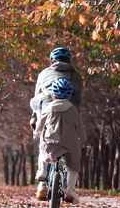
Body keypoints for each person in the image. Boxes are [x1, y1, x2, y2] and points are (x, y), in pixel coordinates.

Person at [29, 47, 83, 196]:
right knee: (73, 153)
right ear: (69, 60)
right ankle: (71, 190)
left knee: (44, 143)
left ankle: (42, 182)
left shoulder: (43, 74)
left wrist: (34, 119)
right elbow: (78, 101)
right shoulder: (76, 76)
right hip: (69, 112)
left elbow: (37, 97)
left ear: (52, 60)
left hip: (46, 111)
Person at [33, 77, 85, 203]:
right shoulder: (73, 109)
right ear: (69, 95)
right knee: (73, 165)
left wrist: (36, 133)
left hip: (51, 141)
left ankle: (43, 172)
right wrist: (83, 139)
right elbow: (79, 127)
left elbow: (40, 124)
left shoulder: (49, 108)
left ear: (53, 94)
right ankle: (70, 190)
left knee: (43, 151)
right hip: (69, 143)